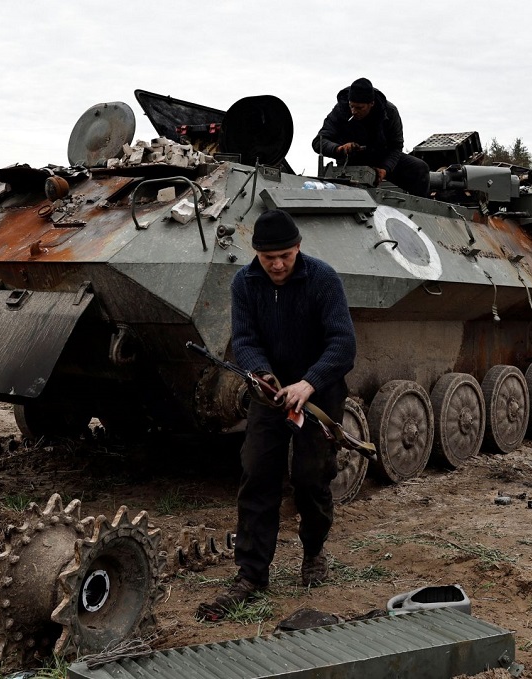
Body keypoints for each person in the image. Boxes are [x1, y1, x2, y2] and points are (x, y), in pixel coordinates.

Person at [198, 209, 356, 619]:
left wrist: (309, 382)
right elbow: (245, 340)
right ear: (257, 255)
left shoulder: (323, 279)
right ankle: (251, 574)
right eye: (270, 258)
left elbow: (343, 343)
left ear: (298, 248)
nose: (278, 265)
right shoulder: (244, 283)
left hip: (318, 393)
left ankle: (314, 552)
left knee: (310, 476)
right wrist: (262, 375)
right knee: (256, 474)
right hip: (270, 396)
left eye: (285, 255)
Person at [312, 77, 430, 197]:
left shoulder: (389, 112)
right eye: (351, 106)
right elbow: (319, 142)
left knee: (419, 168)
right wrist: (339, 149)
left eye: (359, 108)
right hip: (351, 161)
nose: (353, 111)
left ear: (371, 104)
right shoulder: (340, 111)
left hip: (382, 159)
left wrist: (385, 168)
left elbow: (396, 146)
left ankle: (419, 210)